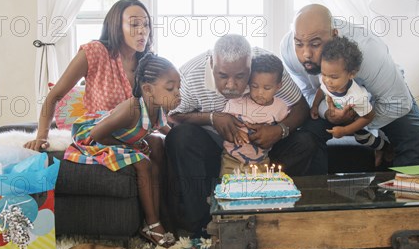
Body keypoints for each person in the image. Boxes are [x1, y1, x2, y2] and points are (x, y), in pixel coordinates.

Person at [166, 34, 316, 236]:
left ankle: (279, 214)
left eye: (240, 76)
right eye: (223, 76)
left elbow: (301, 107)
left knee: (305, 142)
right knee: (180, 137)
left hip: (264, 156)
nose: (231, 85)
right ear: (211, 63)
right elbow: (173, 116)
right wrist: (212, 118)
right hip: (215, 154)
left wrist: (279, 130)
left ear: (251, 66)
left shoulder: (266, 66)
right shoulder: (190, 76)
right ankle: (202, 225)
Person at [281, 4, 419, 169]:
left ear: (334, 35)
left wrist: (355, 123)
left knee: (413, 137)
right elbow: (308, 93)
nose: (306, 54)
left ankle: (405, 192)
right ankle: (319, 193)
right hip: (331, 100)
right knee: (306, 138)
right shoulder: (288, 50)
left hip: (383, 97)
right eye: (299, 44)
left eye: (315, 44)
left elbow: (398, 102)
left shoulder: (368, 52)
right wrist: (328, 114)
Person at [64, 54, 180, 247]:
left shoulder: (158, 109)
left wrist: (181, 138)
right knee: (144, 162)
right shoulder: (132, 109)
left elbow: (166, 130)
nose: (177, 93)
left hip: (122, 140)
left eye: (179, 87)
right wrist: (132, 146)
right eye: (170, 88)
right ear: (148, 89)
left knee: (156, 157)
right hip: (96, 138)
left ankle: (160, 215)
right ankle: (151, 224)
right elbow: (97, 133)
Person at [24, 0, 153, 151]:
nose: (142, 30)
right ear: (117, 28)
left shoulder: (148, 62)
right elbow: (54, 96)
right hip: (100, 136)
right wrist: (41, 137)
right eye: (134, 24)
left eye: (146, 24)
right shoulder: (94, 52)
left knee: (158, 143)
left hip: (133, 135)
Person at [310, 36, 391, 167]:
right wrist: (314, 106)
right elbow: (321, 89)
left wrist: (345, 130)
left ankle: (384, 147)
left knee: (362, 138)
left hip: (358, 114)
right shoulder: (324, 79)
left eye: (334, 77)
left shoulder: (357, 97)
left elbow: (369, 116)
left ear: (351, 74)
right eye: (324, 74)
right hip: (337, 107)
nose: (327, 80)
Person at [219, 53, 290, 175]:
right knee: (228, 190)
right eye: (254, 86)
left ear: (278, 86)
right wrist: (236, 132)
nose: (260, 93)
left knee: (259, 190)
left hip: (261, 162)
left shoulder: (281, 107)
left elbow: (286, 126)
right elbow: (224, 125)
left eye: (267, 88)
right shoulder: (236, 102)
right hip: (231, 159)